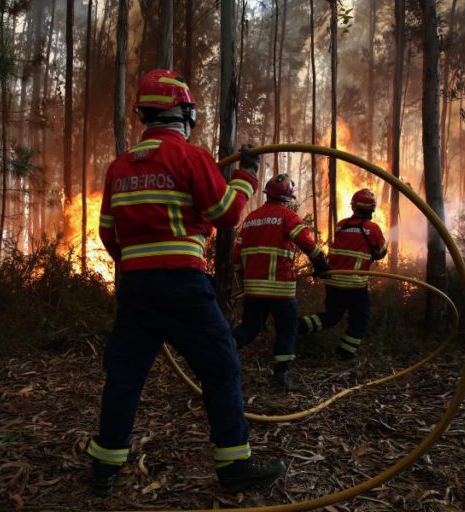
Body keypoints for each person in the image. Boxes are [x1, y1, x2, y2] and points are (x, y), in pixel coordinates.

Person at [89, 69, 286, 497]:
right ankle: (234, 465)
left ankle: (105, 465)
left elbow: (108, 233)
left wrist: (138, 265)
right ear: (184, 112)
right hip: (183, 286)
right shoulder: (191, 158)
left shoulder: (119, 168)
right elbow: (226, 214)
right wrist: (247, 177)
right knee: (221, 367)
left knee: (125, 375)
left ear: (145, 114)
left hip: (136, 288)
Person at [232, 174, 329, 392]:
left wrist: (243, 278)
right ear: (287, 198)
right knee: (287, 330)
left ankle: (220, 354)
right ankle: (281, 376)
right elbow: (306, 242)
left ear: (268, 194)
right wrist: (320, 262)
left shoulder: (251, 219)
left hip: (254, 290)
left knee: (249, 329)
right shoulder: (287, 216)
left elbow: (236, 255)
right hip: (281, 290)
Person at [298, 188, 387, 361]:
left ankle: (296, 327)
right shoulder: (373, 228)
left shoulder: (341, 225)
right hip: (355, 285)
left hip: (334, 282)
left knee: (331, 317)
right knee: (360, 320)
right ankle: (344, 355)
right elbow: (381, 252)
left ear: (354, 207)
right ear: (372, 209)